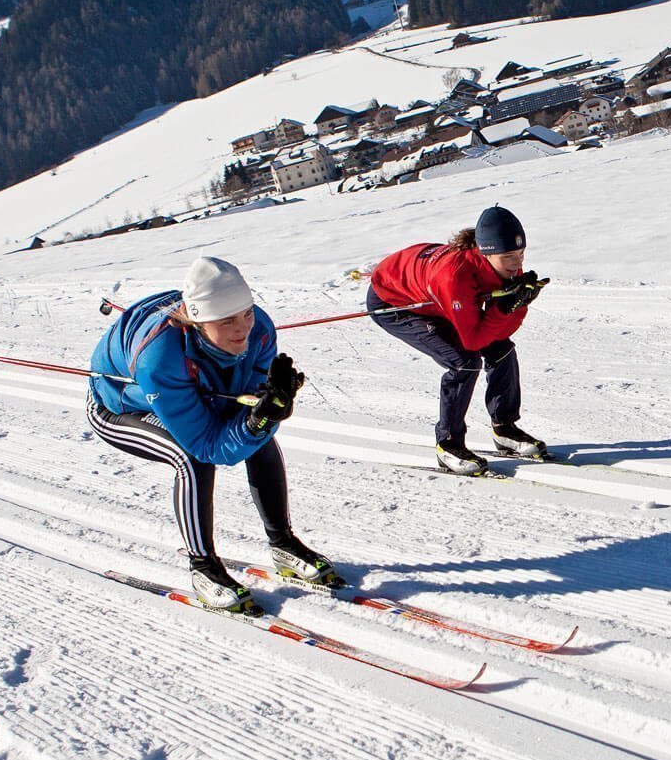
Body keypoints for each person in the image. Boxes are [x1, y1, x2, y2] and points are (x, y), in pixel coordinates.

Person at [87, 257, 338, 613]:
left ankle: (282, 542)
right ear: (199, 322)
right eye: (227, 321)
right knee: (190, 458)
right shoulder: (159, 358)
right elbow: (208, 446)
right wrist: (256, 422)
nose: (243, 330)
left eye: (246, 313)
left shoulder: (260, 328)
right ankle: (202, 568)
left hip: (197, 389)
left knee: (261, 439)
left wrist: (265, 413)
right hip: (119, 408)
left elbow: (250, 407)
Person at [368, 206, 550, 475]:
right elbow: (474, 340)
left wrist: (516, 306)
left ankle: (505, 429)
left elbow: (499, 334)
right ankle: (448, 445)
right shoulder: (455, 277)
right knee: (464, 361)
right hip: (395, 304)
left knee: (502, 350)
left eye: (521, 254)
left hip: (436, 297)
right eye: (509, 256)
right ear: (486, 251)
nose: (516, 263)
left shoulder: (499, 264)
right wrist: (504, 308)